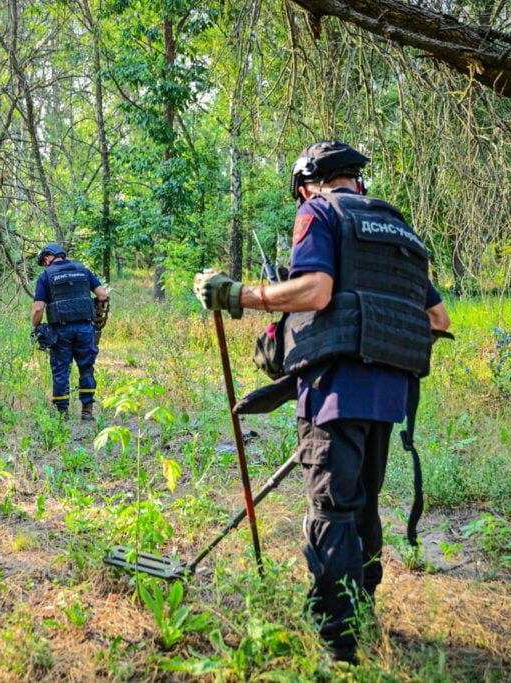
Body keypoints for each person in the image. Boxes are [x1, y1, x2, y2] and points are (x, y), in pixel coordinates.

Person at [193, 140, 451, 665]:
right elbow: (438, 319)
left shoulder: (319, 212)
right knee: (362, 506)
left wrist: (239, 294)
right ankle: (362, 611)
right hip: (388, 396)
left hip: (335, 389)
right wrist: (370, 321)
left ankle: (338, 643)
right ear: (357, 179)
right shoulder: (400, 230)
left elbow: (314, 291)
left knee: (330, 510)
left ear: (307, 183)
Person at [32, 243, 110, 421]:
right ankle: (87, 411)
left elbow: (38, 309)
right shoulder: (83, 270)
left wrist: (35, 328)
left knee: (61, 371)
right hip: (85, 329)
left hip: (60, 331)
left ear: (47, 258)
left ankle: (62, 415)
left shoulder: (46, 276)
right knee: (86, 369)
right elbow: (103, 296)